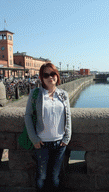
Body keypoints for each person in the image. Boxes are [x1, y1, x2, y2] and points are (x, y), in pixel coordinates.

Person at [25, 63, 71, 192]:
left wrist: (67, 137)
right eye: (46, 75)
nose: (50, 77)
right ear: (41, 78)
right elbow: (28, 116)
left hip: (60, 143)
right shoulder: (35, 93)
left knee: (55, 176)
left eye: (53, 74)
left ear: (57, 75)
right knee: (42, 176)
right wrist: (34, 138)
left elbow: (68, 116)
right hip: (41, 143)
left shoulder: (63, 94)